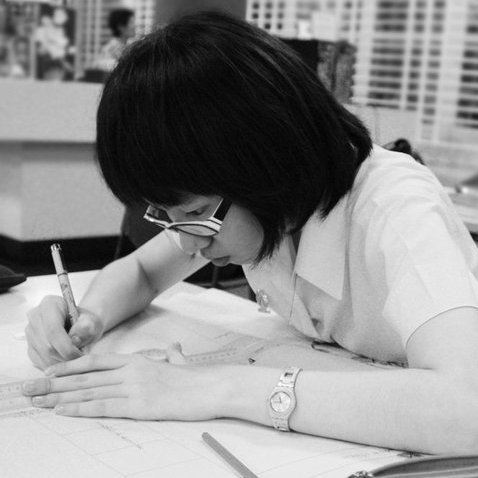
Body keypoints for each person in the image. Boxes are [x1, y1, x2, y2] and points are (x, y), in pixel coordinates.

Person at [24, 11, 478, 454]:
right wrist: (87, 319)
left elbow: (466, 410)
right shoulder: (255, 209)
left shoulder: (393, 207)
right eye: (168, 217)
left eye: (195, 213)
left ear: (267, 164)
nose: (188, 242)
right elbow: (142, 272)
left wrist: (212, 387)